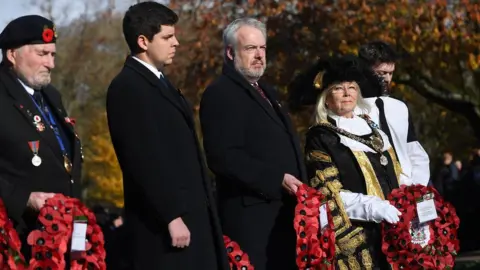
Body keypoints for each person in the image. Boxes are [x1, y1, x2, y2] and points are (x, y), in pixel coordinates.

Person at [106, 2, 229, 269]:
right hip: (165, 228)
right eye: (167, 37)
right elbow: (141, 159)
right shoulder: (127, 87)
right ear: (143, 41)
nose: (176, 42)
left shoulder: (160, 83)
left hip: (191, 217)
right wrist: (171, 215)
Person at [199, 18, 306, 270]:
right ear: (230, 52)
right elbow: (222, 156)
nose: (259, 55)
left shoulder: (268, 91)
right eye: (250, 49)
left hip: (285, 218)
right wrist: (276, 178)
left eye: (262, 48)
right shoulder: (221, 93)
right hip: (252, 220)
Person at [297, 55, 402, 268]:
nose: (347, 93)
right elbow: (328, 194)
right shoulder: (321, 137)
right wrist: (374, 207)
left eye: (352, 87)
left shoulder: (373, 128)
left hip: (394, 233)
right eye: (338, 88)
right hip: (359, 239)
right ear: (325, 98)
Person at [0, 15, 83, 257]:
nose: (50, 64)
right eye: (41, 54)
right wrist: (24, 198)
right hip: (16, 240)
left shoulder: (50, 96)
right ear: (12, 54)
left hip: (58, 239)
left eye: (53, 55)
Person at [357, 41, 430, 186]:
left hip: (409, 185)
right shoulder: (354, 109)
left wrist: (417, 185)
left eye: (390, 73)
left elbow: (413, 149)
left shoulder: (399, 107)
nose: (387, 79)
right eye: (381, 73)